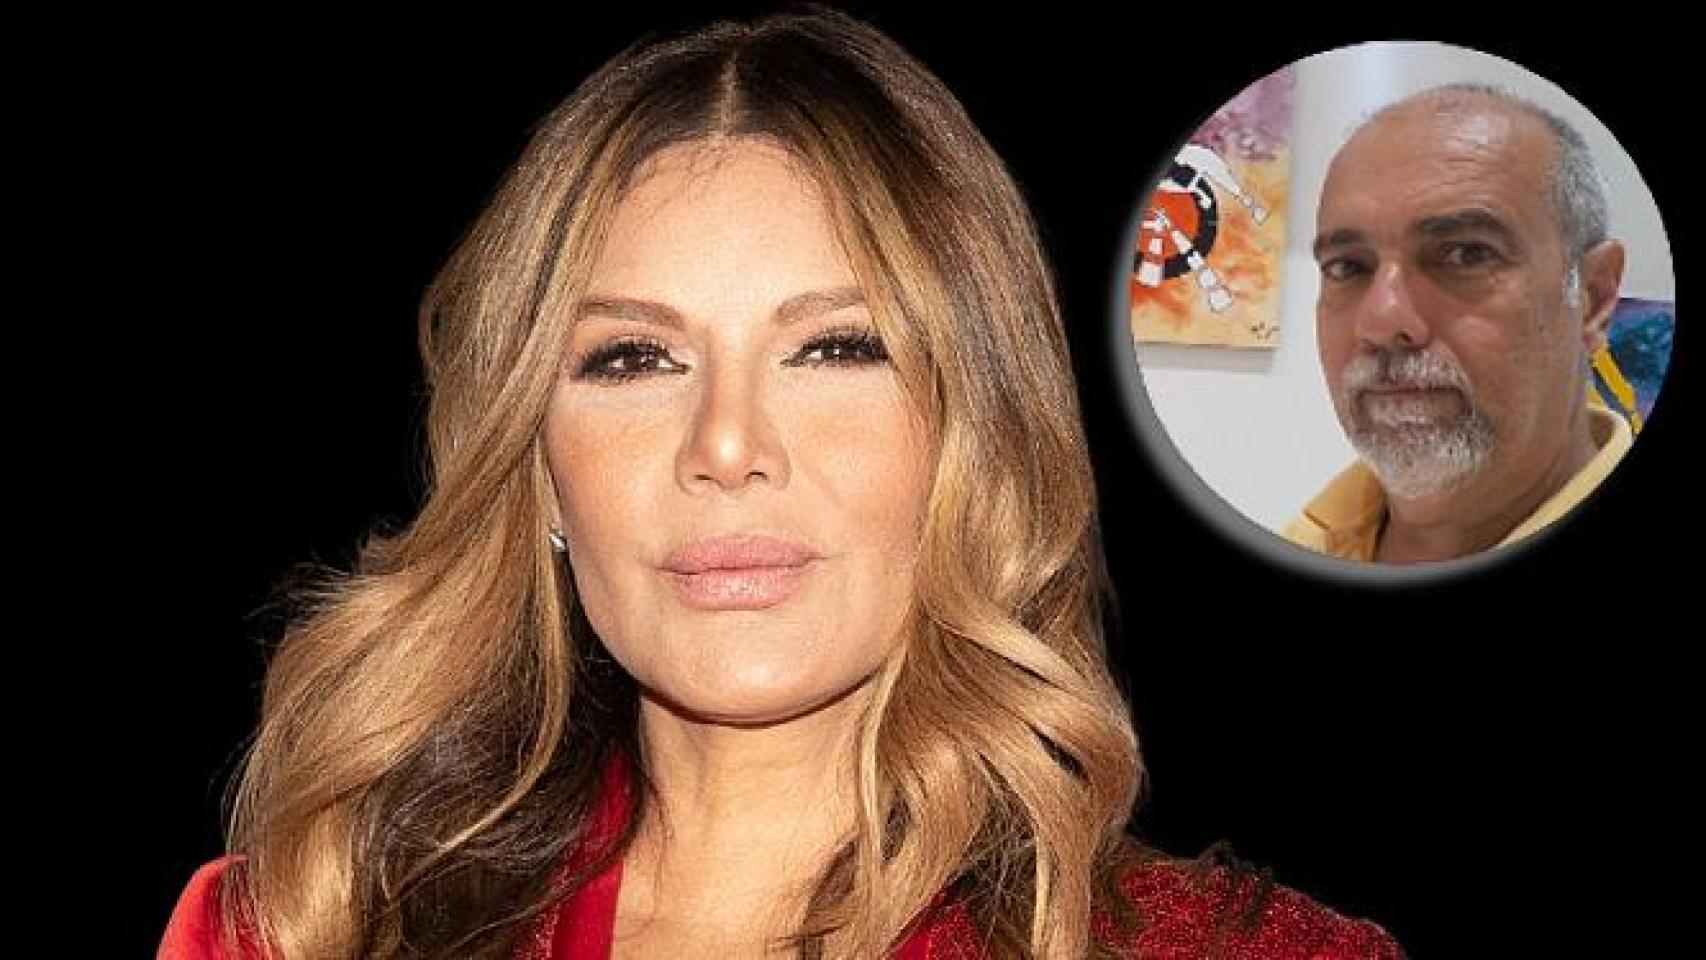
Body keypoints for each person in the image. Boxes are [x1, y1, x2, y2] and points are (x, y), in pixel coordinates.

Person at [161, 9, 1404, 958]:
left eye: (834, 348)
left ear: (972, 436)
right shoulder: (303, 929)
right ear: (535, 471)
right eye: (632, 358)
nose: (724, 442)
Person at [1286, 83, 1632, 564]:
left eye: (1466, 255)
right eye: (1348, 267)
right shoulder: (1304, 542)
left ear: (1594, 297)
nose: (1382, 321)